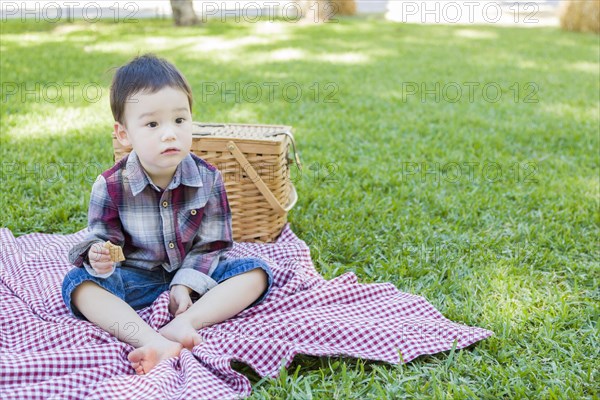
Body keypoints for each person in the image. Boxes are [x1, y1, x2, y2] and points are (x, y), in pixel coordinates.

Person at [61, 54, 273, 375]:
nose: (169, 133)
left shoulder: (208, 177)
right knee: (79, 283)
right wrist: (98, 255)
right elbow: (103, 238)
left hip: (193, 275)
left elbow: (213, 244)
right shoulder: (111, 185)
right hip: (137, 278)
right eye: (152, 124)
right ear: (124, 134)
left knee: (256, 271)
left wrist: (184, 285)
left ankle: (187, 322)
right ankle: (148, 339)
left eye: (179, 120)